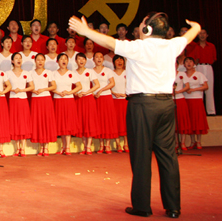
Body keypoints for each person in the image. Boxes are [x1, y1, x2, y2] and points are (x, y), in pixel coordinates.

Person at [69, 12, 201, 218]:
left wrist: (86, 31)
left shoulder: (138, 47)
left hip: (142, 106)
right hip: (166, 104)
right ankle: (173, 207)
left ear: (147, 29)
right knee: (168, 157)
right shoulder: (172, 45)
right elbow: (191, 35)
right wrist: (196, 26)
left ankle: (142, 206)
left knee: (141, 157)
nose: (138, 26)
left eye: (141, 24)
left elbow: (110, 42)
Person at [52, 53, 81, 155]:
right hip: (58, 100)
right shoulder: (53, 73)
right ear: (57, 61)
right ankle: (63, 146)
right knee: (61, 123)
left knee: (68, 123)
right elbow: (50, 87)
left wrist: (70, 92)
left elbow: (79, 86)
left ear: (68, 61)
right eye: (61, 59)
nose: (63, 60)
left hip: (69, 100)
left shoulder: (72, 73)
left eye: (65, 59)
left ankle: (67, 147)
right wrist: (57, 92)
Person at [28, 54, 57, 156]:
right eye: (38, 60)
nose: (40, 62)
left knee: (46, 121)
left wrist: (44, 89)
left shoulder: (49, 72)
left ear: (44, 61)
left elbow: (54, 86)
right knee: (38, 121)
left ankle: (46, 147)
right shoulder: (30, 73)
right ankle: (41, 147)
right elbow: (29, 86)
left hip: (46, 99)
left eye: (42, 60)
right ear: (35, 61)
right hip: (35, 99)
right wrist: (34, 90)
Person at [180, 57, 209, 149]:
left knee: (198, 120)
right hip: (185, 100)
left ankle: (199, 141)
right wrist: (185, 90)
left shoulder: (199, 74)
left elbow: (206, 86)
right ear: (184, 64)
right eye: (186, 62)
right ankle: (192, 141)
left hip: (196, 99)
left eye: (190, 61)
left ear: (194, 64)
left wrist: (193, 89)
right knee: (190, 121)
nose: (189, 63)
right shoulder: (182, 75)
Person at [74, 52, 100, 155]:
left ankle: (88, 146)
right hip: (78, 99)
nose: (81, 61)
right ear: (76, 61)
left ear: (85, 60)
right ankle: (84, 146)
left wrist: (87, 92)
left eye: (83, 59)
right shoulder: (73, 73)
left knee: (89, 121)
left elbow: (97, 85)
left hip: (88, 99)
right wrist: (76, 93)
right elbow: (70, 87)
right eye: (79, 59)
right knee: (81, 121)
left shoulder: (90, 71)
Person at [7, 53, 32, 157]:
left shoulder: (26, 73)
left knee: (23, 122)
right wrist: (12, 89)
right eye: (16, 58)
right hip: (13, 99)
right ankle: (17, 148)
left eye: (20, 58)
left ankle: (23, 148)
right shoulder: (8, 73)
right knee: (15, 122)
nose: (18, 60)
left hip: (23, 99)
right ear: (12, 61)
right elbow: (4, 86)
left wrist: (21, 90)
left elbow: (31, 87)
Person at [186, 29, 216, 115]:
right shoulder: (195, 46)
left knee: (209, 88)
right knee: (199, 88)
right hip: (198, 66)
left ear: (207, 35)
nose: (202, 35)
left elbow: (214, 58)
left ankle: (211, 111)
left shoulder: (211, 46)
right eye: (200, 33)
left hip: (208, 66)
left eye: (204, 33)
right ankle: (200, 111)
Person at [93, 52, 117, 154]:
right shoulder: (90, 71)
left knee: (107, 120)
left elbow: (112, 83)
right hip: (96, 98)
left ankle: (107, 144)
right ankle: (101, 144)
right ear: (93, 59)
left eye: (101, 57)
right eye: (97, 57)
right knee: (99, 120)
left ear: (103, 59)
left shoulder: (108, 70)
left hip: (106, 97)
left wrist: (101, 90)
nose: (99, 59)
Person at [111, 55, 129, 153]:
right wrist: (113, 93)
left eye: (121, 60)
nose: (119, 62)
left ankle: (126, 143)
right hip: (114, 100)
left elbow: (132, 85)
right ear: (114, 62)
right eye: (117, 60)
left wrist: (126, 94)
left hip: (125, 100)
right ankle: (118, 144)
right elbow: (107, 86)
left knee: (126, 122)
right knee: (116, 122)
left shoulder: (128, 73)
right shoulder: (111, 73)